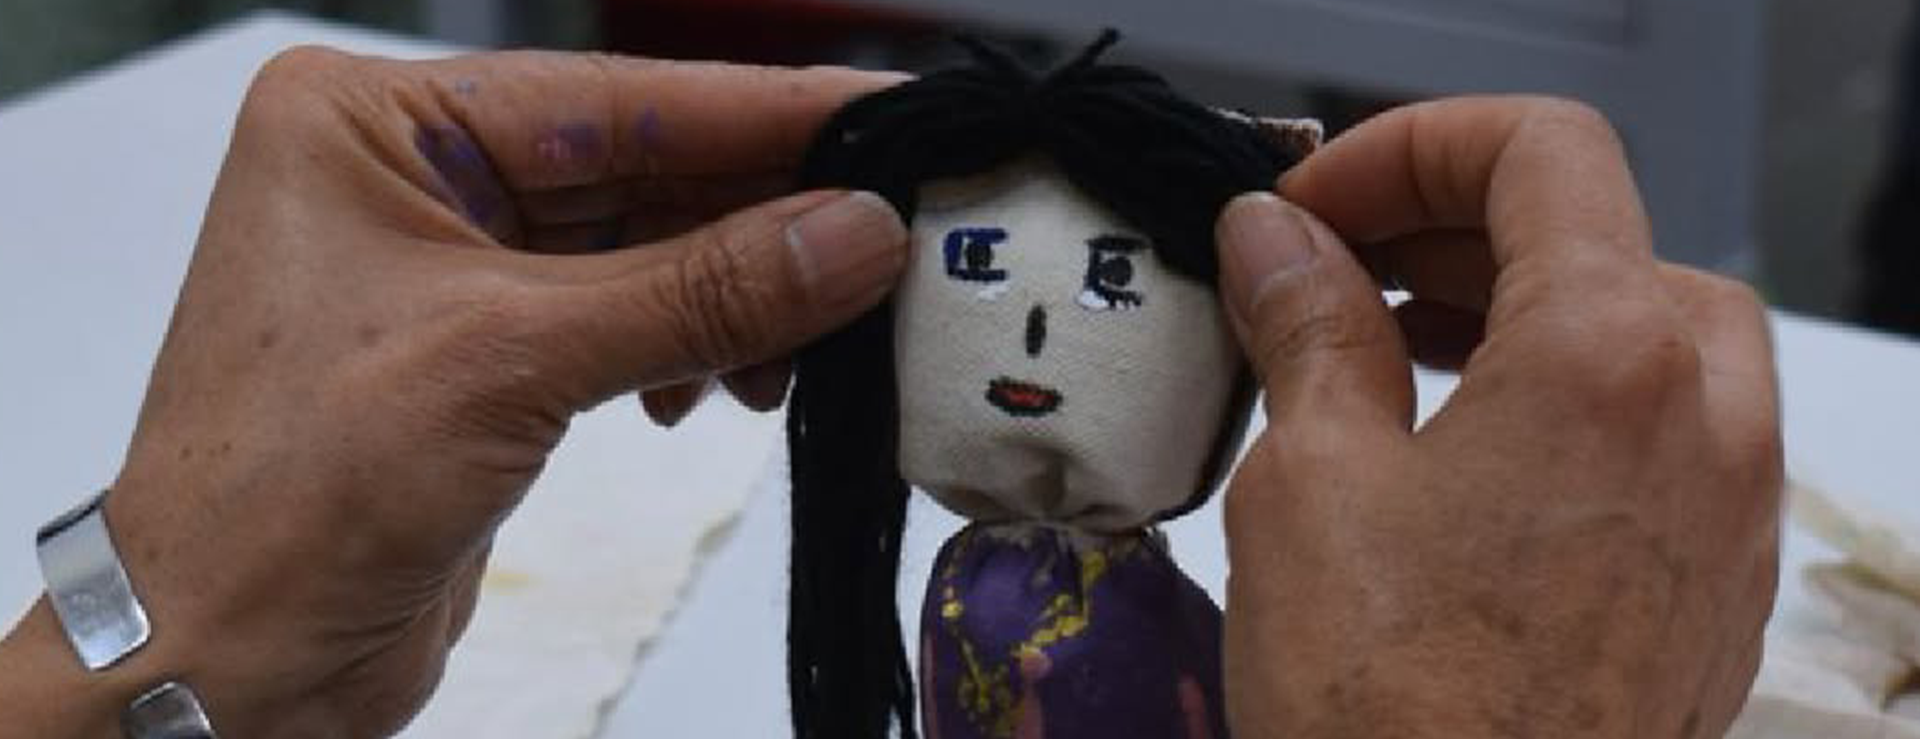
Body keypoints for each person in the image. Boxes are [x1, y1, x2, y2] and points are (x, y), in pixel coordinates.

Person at [0, 47, 1778, 739]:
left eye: (1114, 289)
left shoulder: (1130, 604)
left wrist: (124, 647)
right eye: (974, 264)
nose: (1035, 329)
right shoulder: (964, 586)